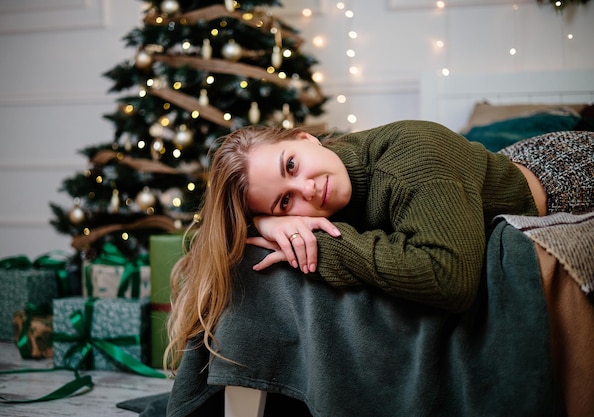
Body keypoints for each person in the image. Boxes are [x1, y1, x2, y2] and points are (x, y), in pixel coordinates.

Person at [164, 120, 594, 370]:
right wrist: (266, 220)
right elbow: (219, 237)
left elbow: (449, 277)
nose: (307, 191)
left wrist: (324, 245)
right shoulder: (332, 175)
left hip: (570, 173)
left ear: (304, 137)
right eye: (285, 199)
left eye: (291, 165)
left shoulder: (410, 160)